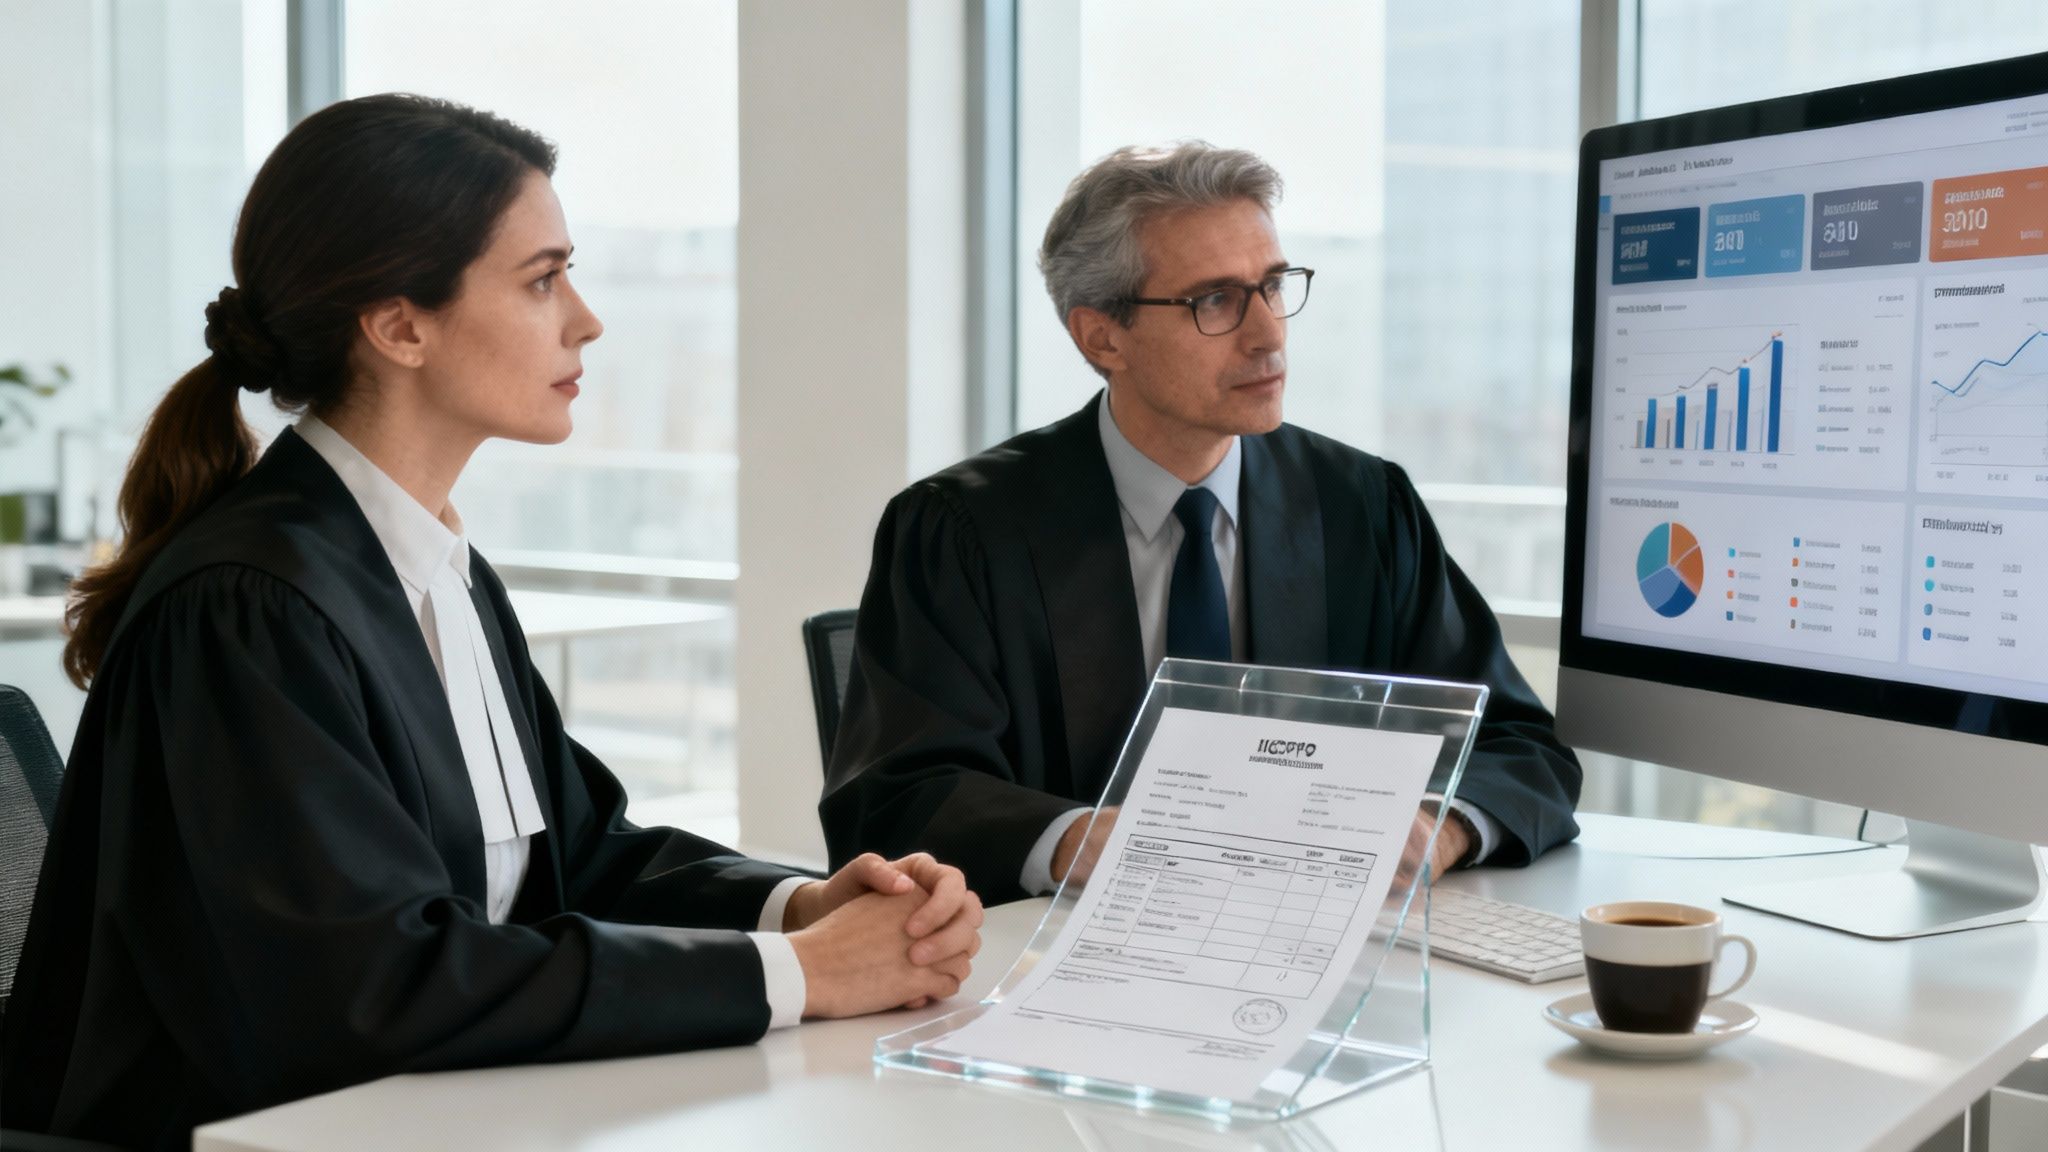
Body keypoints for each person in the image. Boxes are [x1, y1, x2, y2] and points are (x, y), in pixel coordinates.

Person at [0, 94, 981, 1151]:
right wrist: (802, 978)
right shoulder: (248, 606)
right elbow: (374, 987)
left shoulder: (436, 568)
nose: (585, 319)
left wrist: (797, 908)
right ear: (399, 324)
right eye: (542, 279)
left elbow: (584, 854)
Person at [821, 142, 1581, 905]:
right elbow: (894, 799)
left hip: (1318, 960)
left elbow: (1520, 746)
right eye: (1214, 301)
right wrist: (1078, 841)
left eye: (1274, 286)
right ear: (1101, 337)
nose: (1269, 334)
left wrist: (1439, 827)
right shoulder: (961, 530)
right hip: (1046, 966)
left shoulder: (1363, 506)